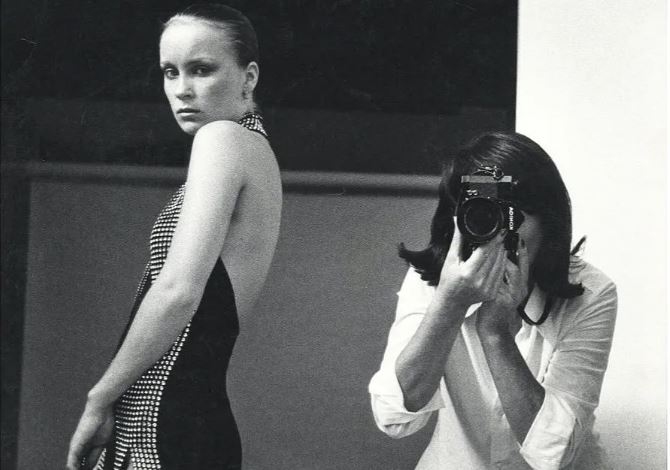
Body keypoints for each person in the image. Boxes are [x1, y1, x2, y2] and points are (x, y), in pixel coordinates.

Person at [66, 4, 281, 470]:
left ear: (248, 77)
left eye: (201, 69)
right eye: (170, 71)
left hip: (164, 427)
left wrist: (99, 398)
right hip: (181, 421)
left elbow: (179, 290)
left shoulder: (222, 139)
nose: (182, 88)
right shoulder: (254, 150)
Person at [369, 132, 617, 469]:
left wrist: (495, 333)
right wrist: (449, 304)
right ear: (457, 218)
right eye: (481, 213)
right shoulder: (434, 279)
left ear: (549, 220)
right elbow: (393, 417)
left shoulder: (592, 293)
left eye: (510, 214)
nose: (497, 231)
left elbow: (553, 454)